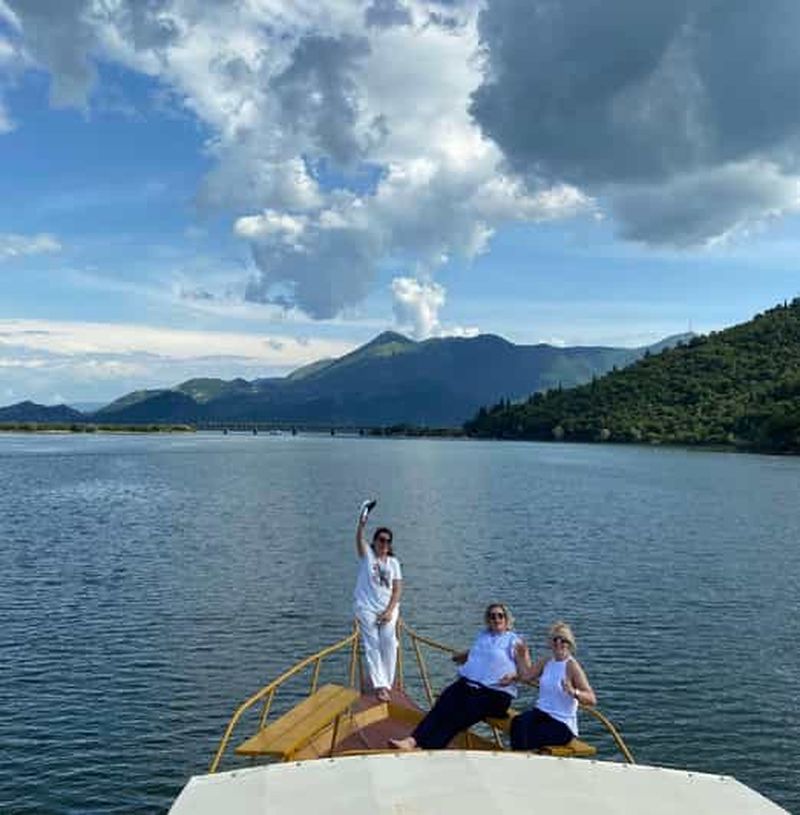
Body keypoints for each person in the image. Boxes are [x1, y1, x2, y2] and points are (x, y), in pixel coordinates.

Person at [389, 603, 528, 750]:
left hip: (495, 694)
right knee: (442, 705)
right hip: (470, 686)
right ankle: (411, 741)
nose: (496, 619)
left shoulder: (515, 641)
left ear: (507, 619)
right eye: (492, 616)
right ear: (488, 620)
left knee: (456, 716)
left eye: (500, 615)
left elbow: (526, 672)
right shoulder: (483, 636)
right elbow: (478, 653)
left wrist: (514, 676)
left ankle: (429, 748)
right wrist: (460, 656)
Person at [509, 621, 596, 751]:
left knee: (530, 735)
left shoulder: (571, 666)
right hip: (541, 714)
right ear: (550, 642)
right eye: (555, 639)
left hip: (561, 722)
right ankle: (520, 760)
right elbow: (526, 676)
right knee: (517, 723)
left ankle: (522, 761)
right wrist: (522, 656)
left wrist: (574, 692)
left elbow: (592, 699)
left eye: (563, 640)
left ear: (570, 644)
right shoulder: (547, 661)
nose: (559, 643)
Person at [353, 509, 403, 702]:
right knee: (373, 642)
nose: (384, 544)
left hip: (388, 607)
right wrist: (361, 525)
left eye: (388, 541)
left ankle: (387, 682)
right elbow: (359, 541)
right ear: (374, 541)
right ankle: (381, 685)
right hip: (366, 606)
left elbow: (397, 588)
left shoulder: (394, 563)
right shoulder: (368, 556)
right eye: (381, 540)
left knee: (389, 642)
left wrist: (390, 611)